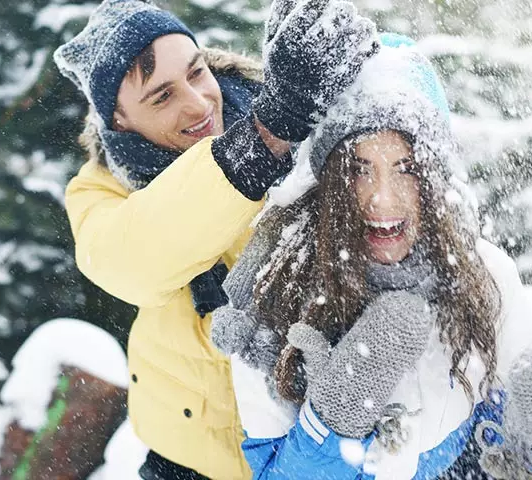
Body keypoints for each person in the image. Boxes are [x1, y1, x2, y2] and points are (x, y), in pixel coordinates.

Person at [211, 33, 532, 479]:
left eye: (406, 168)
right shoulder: (274, 296)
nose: (381, 199)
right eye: (357, 169)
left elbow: (491, 450)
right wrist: (332, 423)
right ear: (325, 181)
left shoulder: (482, 272)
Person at [52, 0, 379, 477]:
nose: (199, 102)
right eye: (162, 97)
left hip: (317, 445)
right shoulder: (102, 186)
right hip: (190, 459)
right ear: (117, 120)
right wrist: (263, 140)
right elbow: (133, 262)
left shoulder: (291, 108)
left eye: (196, 72)